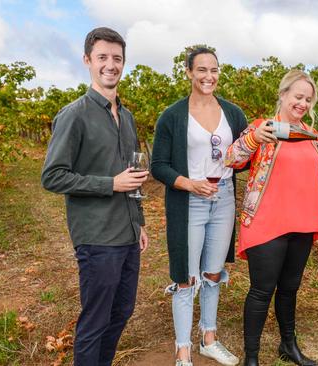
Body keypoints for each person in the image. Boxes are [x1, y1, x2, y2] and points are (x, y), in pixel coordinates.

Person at [41, 27, 149, 365]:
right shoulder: (74, 116)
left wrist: (140, 222)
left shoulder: (127, 117)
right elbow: (52, 176)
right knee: (95, 320)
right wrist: (109, 184)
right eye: (102, 57)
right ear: (88, 61)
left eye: (117, 58)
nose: (110, 64)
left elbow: (132, 177)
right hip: (97, 237)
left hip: (128, 234)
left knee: (122, 312)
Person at [225, 69, 318, 366]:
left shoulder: (313, 137)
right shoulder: (263, 127)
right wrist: (253, 139)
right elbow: (231, 159)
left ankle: (288, 346)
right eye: (298, 96)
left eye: (308, 99)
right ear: (283, 95)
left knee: (290, 288)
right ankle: (252, 358)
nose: (302, 103)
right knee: (261, 290)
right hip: (266, 222)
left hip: (302, 223)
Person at [151, 47, 247, 366]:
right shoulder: (173, 115)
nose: (209, 76)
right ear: (189, 72)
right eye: (202, 70)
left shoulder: (232, 113)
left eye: (214, 70)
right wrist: (190, 183)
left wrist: (256, 144)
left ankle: (208, 338)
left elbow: (244, 159)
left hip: (223, 202)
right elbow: (159, 166)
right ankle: (183, 350)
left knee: (213, 273)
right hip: (189, 202)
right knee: (185, 277)